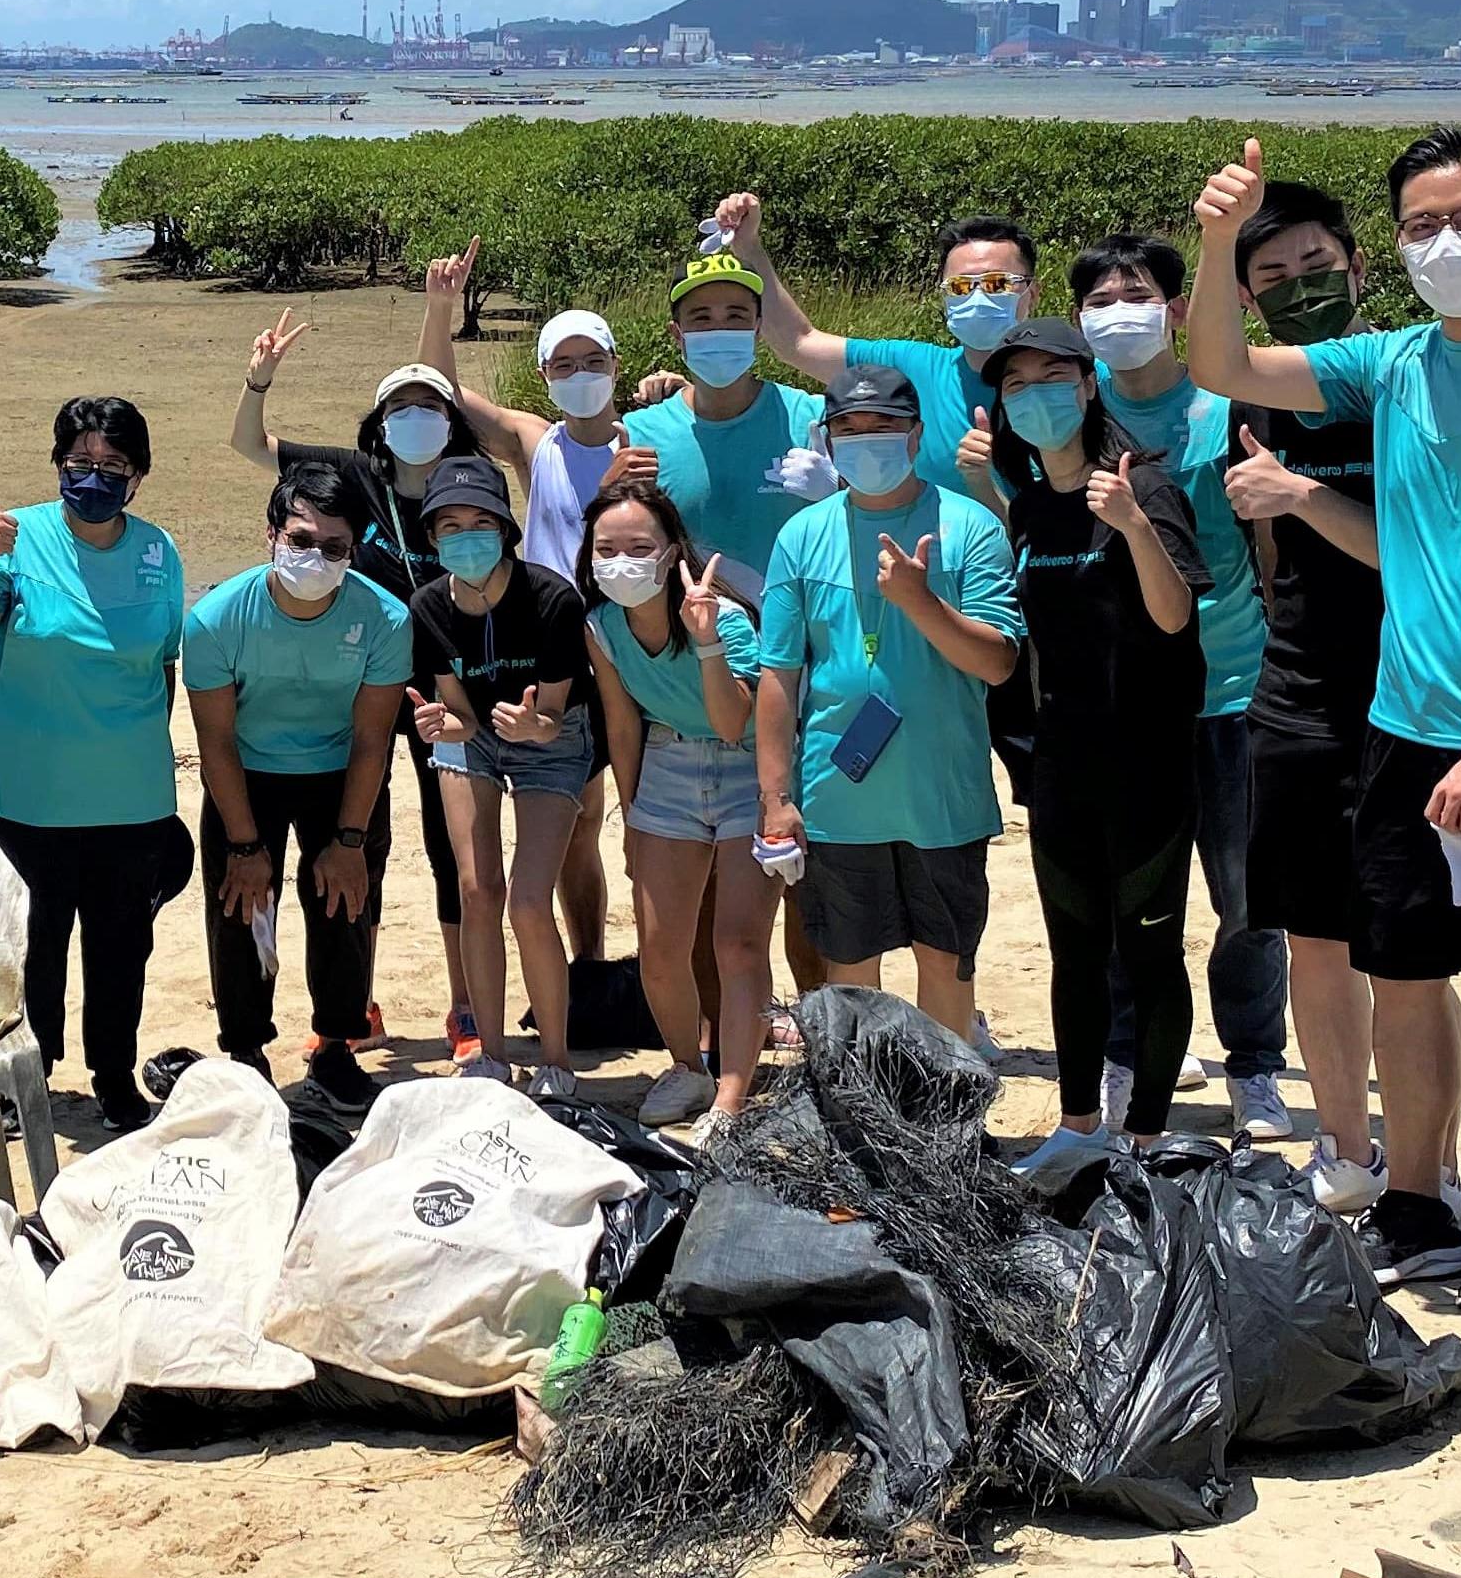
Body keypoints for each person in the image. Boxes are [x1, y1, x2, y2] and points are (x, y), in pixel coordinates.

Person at [1188, 128, 1461, 1315]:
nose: (1450, 244)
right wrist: (1221, 238)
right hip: (1400, 730)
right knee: (1408, 977)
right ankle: (1419, 1199)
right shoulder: (1390, 364)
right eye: (1425, 226)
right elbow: (1223, 365)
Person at [976, 320, 1212, 1164]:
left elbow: (1175, 618)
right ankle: (1079, 1127)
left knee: (1148, 950)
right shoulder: (1031, 503)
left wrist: (1134, 525)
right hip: (1064, 761)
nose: (1033, 395)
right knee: (1074, 950)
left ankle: (1145, 1134)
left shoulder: (1141, 484)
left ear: (1085, 386)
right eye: (1014, 384)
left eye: (1050, 376)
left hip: (1147, 763)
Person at [232, 305, 496, 1053]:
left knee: (455, 845)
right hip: (367, 689)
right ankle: (357, 1006)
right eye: (400, 406)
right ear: (378, 423)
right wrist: (260, 380)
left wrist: (438, 309)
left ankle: (466, 1008)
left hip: (452, 687)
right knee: (361, 844)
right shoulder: (353, 478)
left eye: (431, 405)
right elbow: (249, 445)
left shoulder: (470, 482)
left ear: (452, 418)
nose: (415, 417)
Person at [1072, 233, 1289, 1143]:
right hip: (1128, 700)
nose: (1121, 312)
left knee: (1248, 898)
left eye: (1139, 294)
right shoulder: (1074, 414)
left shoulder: (1228, 405)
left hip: (1235, 688)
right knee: (1132, 895)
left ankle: (1254, 1064)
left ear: (1175, 308)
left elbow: (1270, 552)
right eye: (1102, 299)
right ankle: (1127, 1051)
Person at [1215, 183, 1407, 1209]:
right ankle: (1347, 1151)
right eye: (1274, 279)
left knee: (1409, 956)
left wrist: (1303, 496)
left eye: (1317, 269)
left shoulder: (1405, 384)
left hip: (1411, 690)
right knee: (1315, 940)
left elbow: (1421, 560)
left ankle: (1422, 1161)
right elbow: (1266, 556)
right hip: (1296, 689)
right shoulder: (1257, 399)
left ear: (1359, 268)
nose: (1301, 290)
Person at [752, 367, 1024, 1047]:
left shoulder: (971, 526)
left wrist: (919, 601)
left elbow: (997, 661)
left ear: (916, 434)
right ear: (828, 437)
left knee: (946, 964)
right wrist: (774, 797)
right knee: (850, 973)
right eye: (849, 428)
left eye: (884, 426)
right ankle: (864, 1125)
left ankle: (943, 1121)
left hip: (945, 796)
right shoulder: (802, 535)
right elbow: (780, 677)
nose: (866, 440)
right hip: (838, 796)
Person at [0, 394, 192, 1132]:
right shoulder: (14, 537)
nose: (95, 475)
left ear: (138, 476)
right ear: (58, 464)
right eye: (81, 461)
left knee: (121, 948)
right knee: (33, 945)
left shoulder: (160, 551)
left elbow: (165, 667)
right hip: (29, 793)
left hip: (131, 796)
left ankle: (115, 1075)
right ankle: (32, 1073)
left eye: (113, 465)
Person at [415, 241, 645, 976]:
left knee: (619, 826)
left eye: (594, 361)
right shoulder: (533, 440)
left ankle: (607, 967)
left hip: (631, 644)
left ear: (616, 364)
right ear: (544, 373)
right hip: (550, 653)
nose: (581, 377)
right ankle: (587, 967)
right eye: (563, 365)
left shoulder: (651, 436)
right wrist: (441, 310)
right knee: (575, 823)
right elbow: (442, 393)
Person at [184, 462, 412, 1111]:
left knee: (347, 903)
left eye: (335, 547)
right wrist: (245, 844)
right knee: (241, 907)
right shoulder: (216, 618)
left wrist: (348, 838)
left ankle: (336, 1046)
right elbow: (216, 743)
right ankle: (246, 1049)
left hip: (341, 774)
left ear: (354, 550)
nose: (316, 556)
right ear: (271, 534)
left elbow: (373, 741)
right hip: (247, 774)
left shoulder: (385, 619)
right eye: (302, 539)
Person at [576, 480, 771, 1125]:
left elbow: (732, 721)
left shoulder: (724, 616)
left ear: (671, 551)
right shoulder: (602, 626)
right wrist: (632, 818)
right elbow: (622, 725)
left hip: (746, 769)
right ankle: (688, 1067)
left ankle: (732, 1094)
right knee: (661, 948)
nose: (622, 559)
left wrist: (708, 640)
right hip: (665, 768)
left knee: (738, 945)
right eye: (607, 547)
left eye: (640, 545)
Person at [406, 456, 595, 1095]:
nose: (466, 536)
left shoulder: (552, 597)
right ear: (431, 535)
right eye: (449, 525)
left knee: (527, 899)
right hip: (476, 740)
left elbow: (554, 715)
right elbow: (457, 712)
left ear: (506, 528)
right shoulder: (427, 605)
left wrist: (534, 728)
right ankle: (489, 1052)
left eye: (481, 521)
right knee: (476, 888)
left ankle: (557, 1060)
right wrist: (447, 727)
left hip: (550, 735)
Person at [710, 191, 1021, 499]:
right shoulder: (912, 369)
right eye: (960, 286)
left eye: (998, 284)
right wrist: (749, 250)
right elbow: (798, 343)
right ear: (944, 295)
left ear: (1032, 292)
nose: (978, 297)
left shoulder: (1064, 381)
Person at [622, 244, 836, 602]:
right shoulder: (640, 433)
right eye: (702, 317)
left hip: (795, 640)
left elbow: (873, 524)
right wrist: (608, 490)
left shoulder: (811, 419)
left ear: (757, 328)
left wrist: (840, 495)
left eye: (735, 316)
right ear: (678, 334)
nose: (719, 328)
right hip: (691, 641)